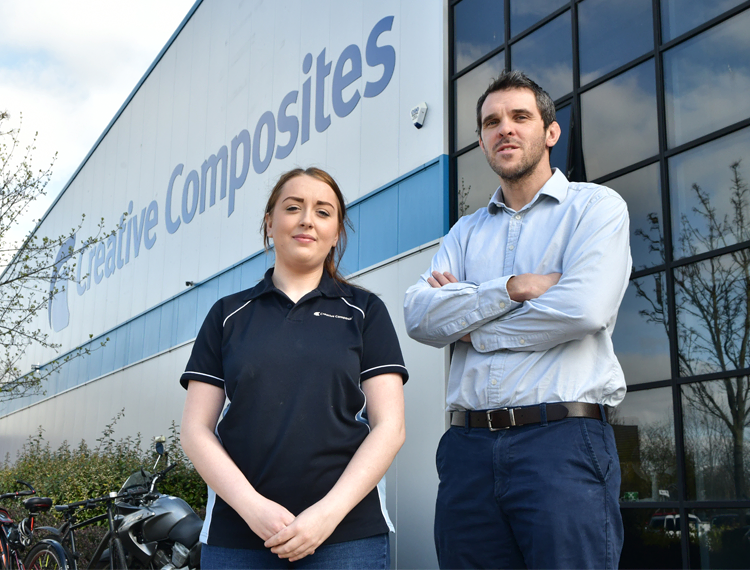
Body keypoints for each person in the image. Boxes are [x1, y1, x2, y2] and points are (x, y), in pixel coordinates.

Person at [403, 71, 630, 569]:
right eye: (491, 122)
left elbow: (583, 309)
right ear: (481, 140)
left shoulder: (595, 208)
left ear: (550, 132)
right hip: (467, 450)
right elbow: (419, 315)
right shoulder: (463, 233)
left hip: (561, 444)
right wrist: (513, 288)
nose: (504, 128)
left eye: (520, 117)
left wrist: (471, 326)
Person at [180, 167, 407, 569]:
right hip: (239, 536)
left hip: (345, 536)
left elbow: (390, 427)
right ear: (269, 224)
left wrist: (327, 516)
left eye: (323, 211)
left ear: (336, 233)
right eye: (292, 207)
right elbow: (195, 430)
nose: (307, 220)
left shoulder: (366, 311)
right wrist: (252, 508)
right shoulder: (227, 315)